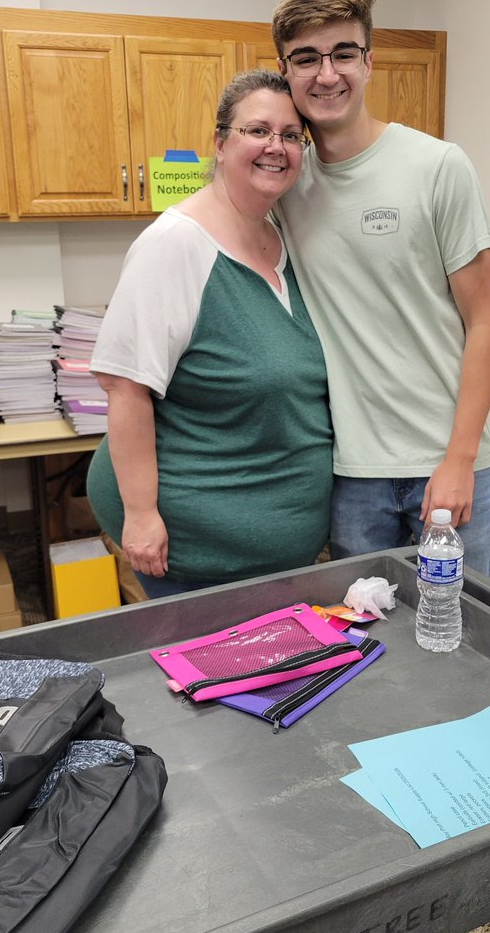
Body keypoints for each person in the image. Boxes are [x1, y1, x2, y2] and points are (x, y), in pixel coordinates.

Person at [271, 0, 490, 577]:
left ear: (369, 62)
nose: (327, 74)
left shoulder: (438, 166)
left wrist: (459, 459)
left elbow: (485, 321)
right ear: (286, 71)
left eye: (343, 54)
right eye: (306, 58)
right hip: (353, 474)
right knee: (369, 629)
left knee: (460, 624)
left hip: (447, 462)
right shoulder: (286, 185)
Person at [86, 69, 333, 597]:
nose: (276, 147)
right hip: (192, 548)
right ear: (220, 144)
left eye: (292, 135)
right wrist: (141, 515)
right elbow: (125, 388)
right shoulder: (175, 245)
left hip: (277, 549)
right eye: (257, 130)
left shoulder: (285, 239)